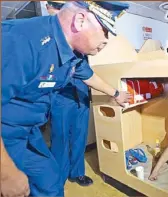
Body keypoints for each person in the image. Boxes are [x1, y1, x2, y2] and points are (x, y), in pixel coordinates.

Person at [1, 1, 131, 197]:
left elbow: (88, 76)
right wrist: (5, 175)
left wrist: (116, 94)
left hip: (28, 132)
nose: (106, 40)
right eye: (104, 31)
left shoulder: (71, 53)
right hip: (5, 134)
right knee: (14, 187)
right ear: (80, 20)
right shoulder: (19, 41)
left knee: (50, 182)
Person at [45, 0, 93, 187]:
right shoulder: (48, 33)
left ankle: (77, 173)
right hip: (61, 96)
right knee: (60, 138)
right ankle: (59, 176)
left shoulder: (81, 29)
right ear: (49, 7)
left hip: (81, 93)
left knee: (80, 137)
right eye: (55, 6)